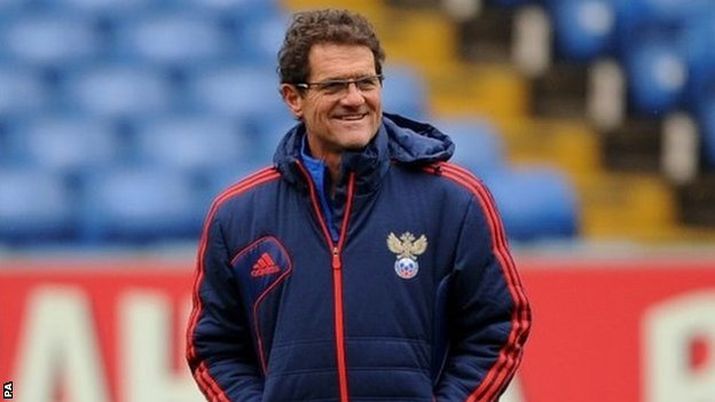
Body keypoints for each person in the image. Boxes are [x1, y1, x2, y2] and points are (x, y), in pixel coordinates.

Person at [186, 8, 531, 402]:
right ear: (293, 98)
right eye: (334, 86)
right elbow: (213, 347)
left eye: (366, 82)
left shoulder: (454, 200)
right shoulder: (238, 215)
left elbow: (501, 325)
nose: (354, 99)